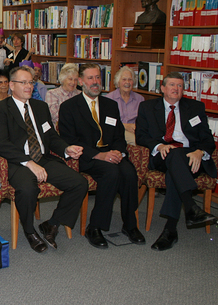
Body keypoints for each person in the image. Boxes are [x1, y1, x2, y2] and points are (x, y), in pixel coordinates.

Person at [0, 67, 87, 253]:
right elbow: (2, 144)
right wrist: (29, 162)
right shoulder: (0, 109)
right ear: (11, 85)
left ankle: (52, 224)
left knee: (79, 183)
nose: (29, 86)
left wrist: (66, 148)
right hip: (17, 162)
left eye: (31, 82)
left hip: (43, 158)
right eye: (23, 82)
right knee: (27, 189)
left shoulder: (40, 107)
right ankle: (29, 230)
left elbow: (51, 136)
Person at [59, 63, 145, 249]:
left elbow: (118, 135)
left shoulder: (110, 105)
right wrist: (99, 155)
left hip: (112, 154)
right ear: (81, 82)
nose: (95, 82)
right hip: (86, 157)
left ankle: (130, 225)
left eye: (98, 77)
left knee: (129, 173)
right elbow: (70, 140)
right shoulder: (69, 107)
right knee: (111, 173)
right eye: (90, 78)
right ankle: (95, 226)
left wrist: (118, 152)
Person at [136, 72, 217, 251]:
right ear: (163, 88)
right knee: (173, 155)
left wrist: (199, 151)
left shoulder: (195, 107)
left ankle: (171, 230)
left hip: (191, 158)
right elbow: (140, 136)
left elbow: (208, 140)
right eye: (172, 85)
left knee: (176, 166)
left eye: (180, 86)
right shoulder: (147, 107)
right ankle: (190, 208)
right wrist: (158, 146)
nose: (176, 89)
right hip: (163, 156)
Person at [105, 66, 144, 145]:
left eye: (130, 79)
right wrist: (125, 126)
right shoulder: (109, 98)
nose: (127, 82)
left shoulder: (140, 99)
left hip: (136, 130)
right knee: (136, 141)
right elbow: (107, 121)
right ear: (118, 83)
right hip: (116, 131)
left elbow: (144, 120)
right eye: (124, 79)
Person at [45, 63, 81, 128]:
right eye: (70, 79)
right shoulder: (52, 94)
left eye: (75, 80)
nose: (73, 83)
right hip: (60, 131)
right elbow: (55, 116)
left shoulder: (81, 94)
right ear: (63, 79)